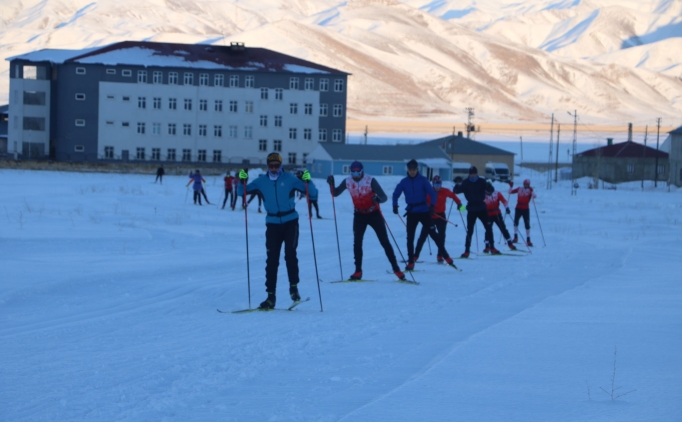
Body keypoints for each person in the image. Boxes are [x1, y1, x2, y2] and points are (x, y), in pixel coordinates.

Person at [237, 152, 317, 309]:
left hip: (290, 222)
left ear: (281, 166)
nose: (274, 168)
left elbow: (312, 194)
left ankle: (294, 288)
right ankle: (270, 297)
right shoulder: (261, 181)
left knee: (290, 255)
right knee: (272, 260)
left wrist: (308, 180)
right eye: (271, 165)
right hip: (272, 223)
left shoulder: (290, 179)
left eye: (277, 165)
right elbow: (242, 192)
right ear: (267, 166)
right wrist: (242, 180)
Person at [328, 161, 406, 281]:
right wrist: (331, 184)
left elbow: (384, 197)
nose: (355, 175)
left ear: (362, 171)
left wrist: (377, 199)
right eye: (352, 172)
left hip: (374, 213)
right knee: (357, 243)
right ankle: (358, 271)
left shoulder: (370, 180)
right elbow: (335, 193)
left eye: (357, 172)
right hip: (359, 215)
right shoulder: (348, 181)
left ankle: (396, 269)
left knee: (384, 241)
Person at [392, 159, 455, 270]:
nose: (412, 171)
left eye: (414, 169)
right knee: (410, 238)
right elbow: (396, 194)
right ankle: (411, 261)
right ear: (408, 169)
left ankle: (446, 257)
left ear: (417, 169)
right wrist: (395, 205)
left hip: (424, 211)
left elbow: (432, 194)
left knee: (434, 235)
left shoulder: (423, 180)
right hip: (411, 212)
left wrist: (432, 206)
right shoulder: (404, 182)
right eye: (410, 169)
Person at [414, 175, 462, 263]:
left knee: (441, 236)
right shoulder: (428, 192)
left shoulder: (445, 191)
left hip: (441, 216)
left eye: (438, 185)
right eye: (435, 185)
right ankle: (415, 256)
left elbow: (453, 196)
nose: (437, 187)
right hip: (429, 216)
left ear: (441, 185)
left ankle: (440, 255)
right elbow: (421, 201)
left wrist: (459, 204)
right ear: (433, 184)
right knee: (423, 236)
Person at [453, 166, 497, 257]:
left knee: (488, 227)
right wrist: (457, 185)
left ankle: (492, 247)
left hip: (482, 208)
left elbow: (491, 190)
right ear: (469, 174)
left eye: (474, 173)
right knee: (470, 230)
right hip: (471, 209)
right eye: (471, 173)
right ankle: (467, 250)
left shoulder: (481, 181)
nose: (473, 175)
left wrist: (490, 187)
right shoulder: (466, 183)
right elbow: (456, 191)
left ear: (476, 173)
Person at [484, 181, 517, 252]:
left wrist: (507, 208)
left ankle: (510, 243)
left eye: (489, 190)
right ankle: (487, 246)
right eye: (487, 191)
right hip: (487, 214)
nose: (488, 192)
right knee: (488, 230)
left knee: (503, 228)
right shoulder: (482, 194)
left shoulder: (497, 193)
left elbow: (504, 201)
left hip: (497, 214)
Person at [508, 179, 537, 247]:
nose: (525, 185)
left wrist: (532, 191)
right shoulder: (519, 188)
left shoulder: (530, 190)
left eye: (526, 184)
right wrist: (511, 186)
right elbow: (510, 192)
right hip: (518, 207)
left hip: (525, 209)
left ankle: (528, 240)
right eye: (524, 183)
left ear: (529, 184)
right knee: (515, 222)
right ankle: (515, 237)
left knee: (527, 223)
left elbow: (534, 196)